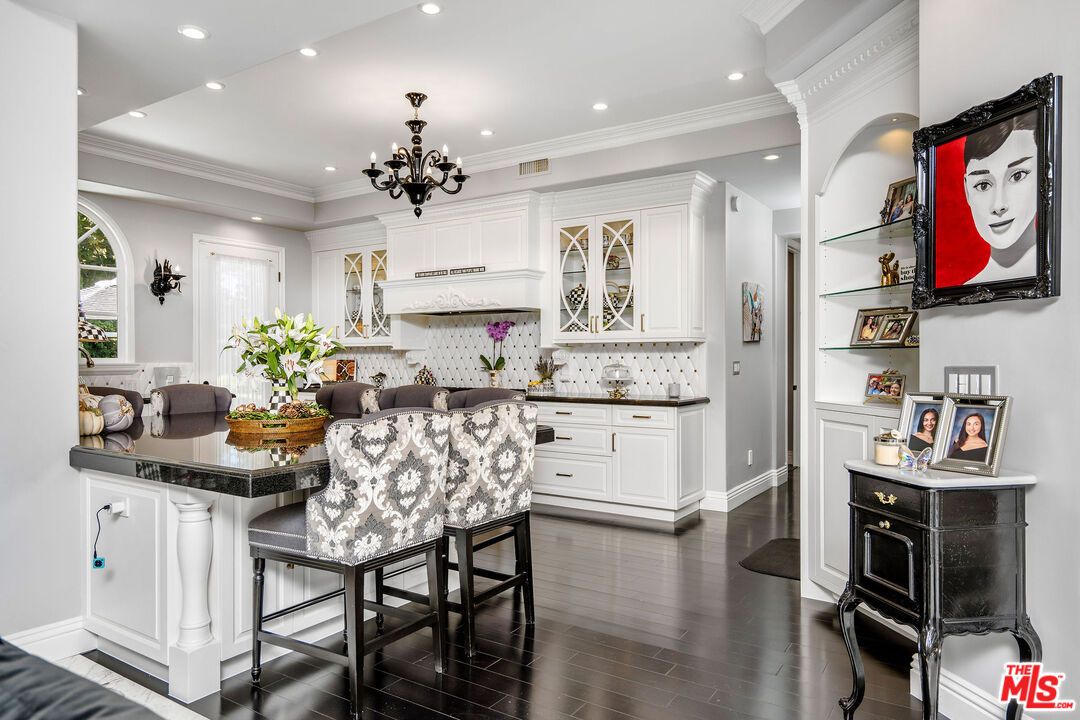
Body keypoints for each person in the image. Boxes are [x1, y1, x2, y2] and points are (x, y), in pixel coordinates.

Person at [962, 110, 1038, 285]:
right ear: (967, 190)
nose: (998, 205)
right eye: (983, 185)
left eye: (1017, 176)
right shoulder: (964, 290)